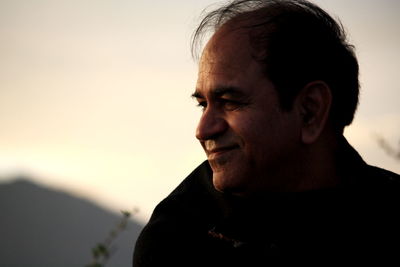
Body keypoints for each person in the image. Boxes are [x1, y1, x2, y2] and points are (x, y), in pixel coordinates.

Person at [133, 0, 400, 266]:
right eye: (203, 104)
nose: (202, 130)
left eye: (229, 101)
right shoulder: (180, 237)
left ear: (310, 110)